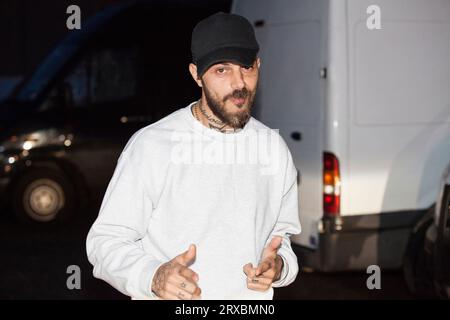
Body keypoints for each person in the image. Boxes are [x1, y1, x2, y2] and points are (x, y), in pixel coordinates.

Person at [86, 12, 301, 300]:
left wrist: (279, 266)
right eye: (221, 70)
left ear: (258, 65)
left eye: (246, 67)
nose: (239, 84)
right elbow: (106, 241)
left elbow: (282, 238)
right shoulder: (152, 146)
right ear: (196, 74)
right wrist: (152, 275)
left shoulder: (273, 148)